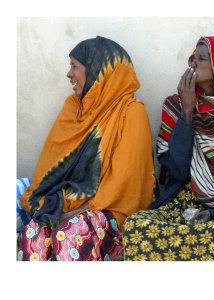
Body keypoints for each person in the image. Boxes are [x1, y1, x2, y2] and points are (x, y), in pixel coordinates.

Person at [122, 35, 214, 261]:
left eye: (201, 59)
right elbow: (176, 171)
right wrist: (187, 112)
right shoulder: (176, 105)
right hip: (185, 197)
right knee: (136, 225)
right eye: (192, 58)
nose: (192, 64)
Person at [18, 36, 155, 261]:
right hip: (66, 205)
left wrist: (72, 214)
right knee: (33, 232)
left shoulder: (131, 112)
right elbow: (50, 168)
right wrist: (56, 210)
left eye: (75, 67)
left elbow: (122, 185)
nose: (69, 74)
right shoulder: (73, 107)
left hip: (113, 213)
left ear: (99, 71)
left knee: (69, 234)